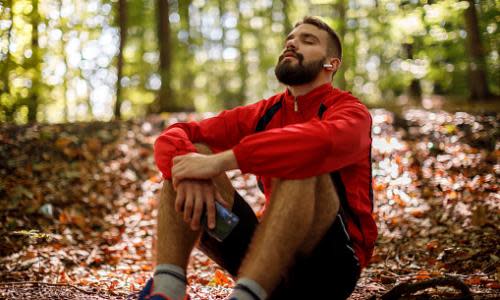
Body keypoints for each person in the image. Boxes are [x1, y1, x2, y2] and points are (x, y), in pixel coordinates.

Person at [139, 16, 377, 300]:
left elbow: (318, 143)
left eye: (308, 40)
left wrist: (222, 161)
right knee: (191, 153)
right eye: (291, 37)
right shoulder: (265, 112)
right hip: (269, 264)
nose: (292, 42)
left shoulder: (351, 111)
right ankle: (167, 290)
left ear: (331, 64)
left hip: (330, 269)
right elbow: (179, 133)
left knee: (301, 163)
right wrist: (191, 171)